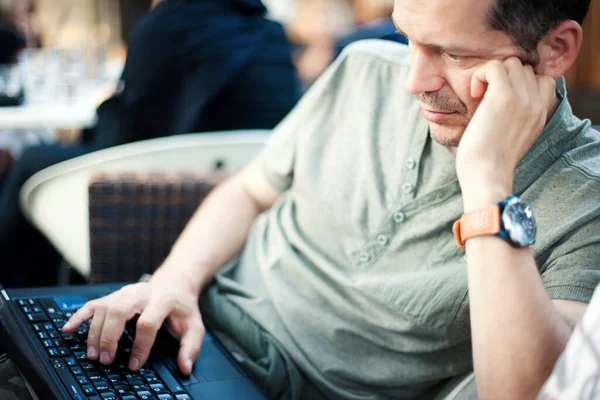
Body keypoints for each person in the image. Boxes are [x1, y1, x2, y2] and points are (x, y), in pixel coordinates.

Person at [62, 0, 600, 399]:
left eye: (454, 54)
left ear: (555, 50)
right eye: (408, 38)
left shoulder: (587, 196)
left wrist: (486, 180)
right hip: (194, 330)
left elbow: (525, 391)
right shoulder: (363, 68)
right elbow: (249, 189)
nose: (413, 80)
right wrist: (172, 283)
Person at [0, 0, 300, 288]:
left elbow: (117, 141)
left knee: (31, 160)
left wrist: (109, 104)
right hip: (253, 190)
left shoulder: (165, 25)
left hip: (160, 190)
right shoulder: (271, 32)